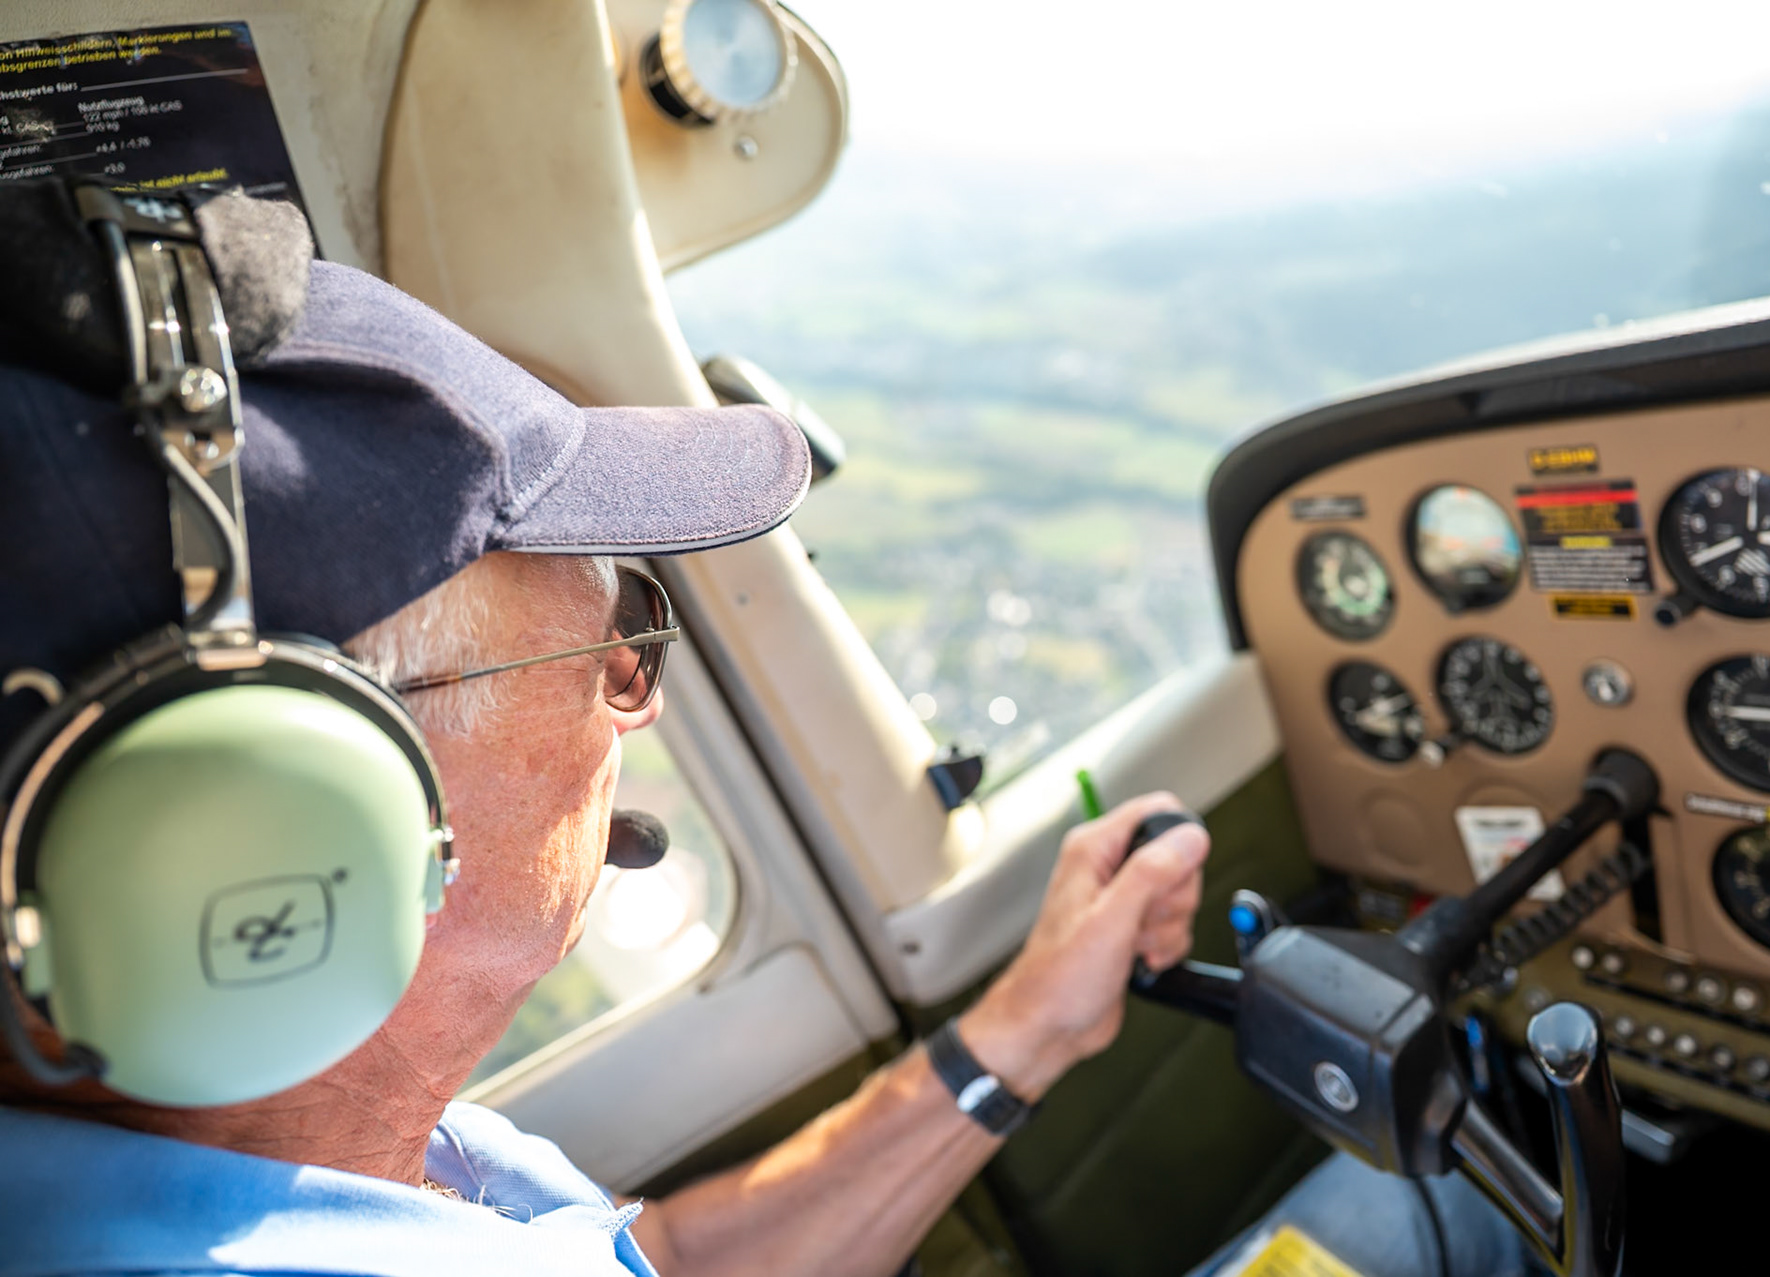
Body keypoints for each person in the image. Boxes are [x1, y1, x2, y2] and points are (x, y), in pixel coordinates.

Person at [0, 193, 1211, 1277]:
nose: (649, 699)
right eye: (616, 640)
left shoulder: (307, 1158)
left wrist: (1026, 1027)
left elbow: (652, 1259)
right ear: (308, 815)